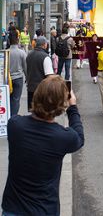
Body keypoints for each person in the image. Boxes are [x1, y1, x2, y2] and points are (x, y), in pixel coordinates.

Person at [1, 75, 84, 216]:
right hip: (44, 210)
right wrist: (73, 107)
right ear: (62, 104)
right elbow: (79, 137)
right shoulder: (63, 137)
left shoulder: (15, 125)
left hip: (12, 209)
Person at [26, 36, 54, 111]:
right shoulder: (45, 57)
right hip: (42, 91)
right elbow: (50, 76)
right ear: (44, 45)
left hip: (30, 88)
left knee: (33, 112)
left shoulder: (29, 55)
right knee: (42, 113)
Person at [8, 32, 26, 116]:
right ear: (18, 40)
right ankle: (13, 117)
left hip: (7, 79)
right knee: (16, 99)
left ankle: (7, 115)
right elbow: (25, 67)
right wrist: (27, 78)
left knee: (7, 98)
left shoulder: (6, 53)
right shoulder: (22, 53)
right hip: (18, 78)